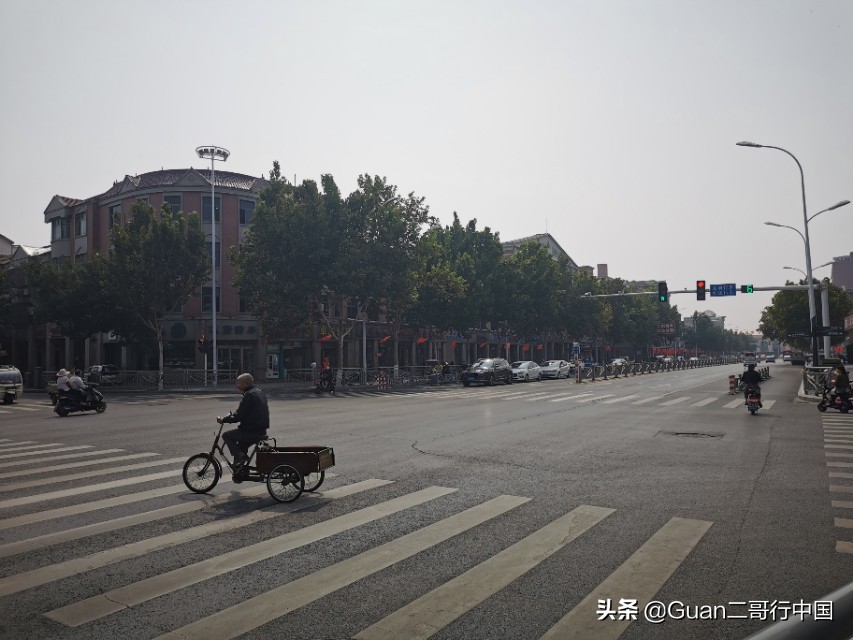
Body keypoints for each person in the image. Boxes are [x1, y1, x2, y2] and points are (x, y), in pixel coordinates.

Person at [217, 373, 269, 473]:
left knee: (227, 436)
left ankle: (241, 458)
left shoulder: (249, 395)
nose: (237, 385)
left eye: (239, 383)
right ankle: (241, 471)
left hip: (251, 431)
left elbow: (239, 416)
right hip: (260, 430)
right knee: (241, 446)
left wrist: (224, 419)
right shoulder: (259, 392)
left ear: (246, 383)